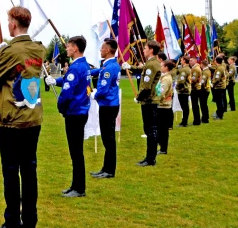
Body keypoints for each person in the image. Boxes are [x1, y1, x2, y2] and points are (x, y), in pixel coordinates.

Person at [0, 6, 43, 228]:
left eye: (9, 20)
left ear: (14, 24)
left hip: (12, 119)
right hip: (33, 116)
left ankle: (12, 222)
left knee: (10, 170)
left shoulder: (9, 51)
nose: (7, 24)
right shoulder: (38, 49)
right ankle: (30, 220)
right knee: (30, 169)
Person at [46, 36, 90, 197]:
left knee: (76, 152)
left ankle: (79, 188)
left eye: (69, 46)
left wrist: (61, 107)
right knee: (75, 151)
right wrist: (55, 81)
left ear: (76, 48)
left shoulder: (75, 67)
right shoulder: (84, 65)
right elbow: (69, 82)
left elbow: (66, 93)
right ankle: (75, 185)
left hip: (74, 113)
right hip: (81, 110)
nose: (67, 49)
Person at [123, 40, 162, 166]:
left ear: (151, 50)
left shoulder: (151, 64)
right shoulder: (152, 63)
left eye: (145, 48)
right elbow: (142, 69)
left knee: (150, 130)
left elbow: (146, 86)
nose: (143, 50)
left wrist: (139, 98)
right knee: (150, 129)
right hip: (151, 100)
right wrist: (130, 67)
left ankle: (150, 158)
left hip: (149, 100)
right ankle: (150, 157)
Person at [89, 38, 120, 179]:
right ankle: (106, 168)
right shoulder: (109, 65)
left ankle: (109, 170)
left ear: (107, 50)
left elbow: (103, 88)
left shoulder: (109, 68)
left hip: (108, 105)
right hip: (109, 105)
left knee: (108, 138)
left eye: (102, 48)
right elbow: (97, 72)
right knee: (107, 138)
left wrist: (93, 94)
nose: (100, 50)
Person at [156, 60, 176, 155]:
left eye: (162, 66)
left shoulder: (166, 79)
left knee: (163, 129)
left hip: (163, 106)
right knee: (160, 127)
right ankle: (160, 144)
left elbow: (161, 93)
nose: (160, 67)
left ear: (166, 67)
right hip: (162, 105)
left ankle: (163, 148)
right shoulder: (163, 77)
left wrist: (154, 99)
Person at [176, 56, 191, 127]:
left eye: (181, 60)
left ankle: (184, 121)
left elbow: (181, 80)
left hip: (183, 89)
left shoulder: (184, 70)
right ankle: (184, 120)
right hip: (186, 89)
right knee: (185, 106)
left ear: (184, 61)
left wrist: (176, 86)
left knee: (184, 106)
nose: (180, 61)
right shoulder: (187, 68)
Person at [211, 55, 226, 120]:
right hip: (221, 86)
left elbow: (217, 78)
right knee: (219, 101)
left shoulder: (219, 68)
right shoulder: (221, 67)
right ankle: (219, 113)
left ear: (216, 61)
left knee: (219, 101)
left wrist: (212, 84)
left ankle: (220, 115)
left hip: (219, 87)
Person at [189, 57, 202, 125]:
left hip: (195, 89)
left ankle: (196, 120)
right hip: (195, 88)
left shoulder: (196, 69)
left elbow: (193, 79)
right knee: (195, 105)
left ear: (195, 61)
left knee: (195, 105)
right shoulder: (195, 68)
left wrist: (188, 80)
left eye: (191, 60)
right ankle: (197, 120)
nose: (190, 62)